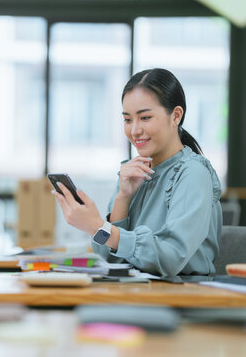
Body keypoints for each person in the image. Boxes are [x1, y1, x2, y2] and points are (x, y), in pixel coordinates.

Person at [52, 68, 222, 277]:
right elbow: (108, 258)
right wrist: (123, 197)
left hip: (181, 295)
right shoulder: (132, 172)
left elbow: (170, 257)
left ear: (176, 115)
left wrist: (97, 225)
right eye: (127, 120)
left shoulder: (193, 173)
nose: (134, 131)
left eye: (145, 118)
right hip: (136, 291)